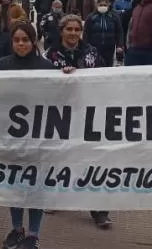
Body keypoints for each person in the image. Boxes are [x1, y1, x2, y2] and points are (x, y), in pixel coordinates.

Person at [43, 15, 110, 229]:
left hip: (88, 111)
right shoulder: (50, 55)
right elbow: (41, 83)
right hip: (60, 114)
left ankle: (98, 209)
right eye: (69, 29)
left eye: (76, 29)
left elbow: (106, 77)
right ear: (61, 31)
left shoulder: (92, 53)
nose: (73, 33)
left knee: (92, 158)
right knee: (58, 156)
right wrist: (60, 77)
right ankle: (54, 197)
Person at [0, 23, 53, 249]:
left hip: (38, 139)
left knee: (36, 186)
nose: (21, 44)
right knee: (15, 185)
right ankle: (17, 229)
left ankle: (33, 235)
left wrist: (68, 76)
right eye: (16, 40)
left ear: (33, 41)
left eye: (25, 40)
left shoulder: (47, 68)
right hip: (10, 137)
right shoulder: (1, 66)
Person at [84, 0, 124, 66]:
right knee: (95, 65)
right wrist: (86, 46)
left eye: (105, 5)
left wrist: (119, 45)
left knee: (108, 66)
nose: (103, 6)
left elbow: (119, 32)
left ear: (108, 5)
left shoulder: (114, 17)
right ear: (97, 5)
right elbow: (86, 33)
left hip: (109, 48)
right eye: (101, 5)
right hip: (94, 48)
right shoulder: (91, 17)